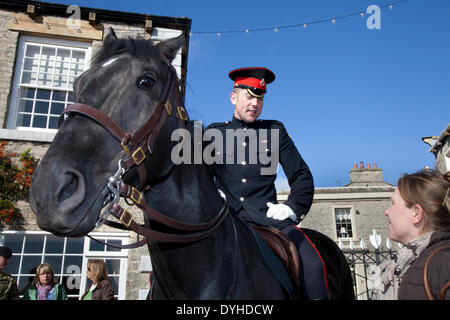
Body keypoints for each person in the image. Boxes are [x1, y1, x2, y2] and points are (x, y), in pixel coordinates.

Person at [205, 67, 328, 299]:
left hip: (269, 220)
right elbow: (200, 177)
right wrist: (212, 194)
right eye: (249, 96)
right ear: (233, 97)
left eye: (260, 98)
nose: (255, 103)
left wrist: (292, 208)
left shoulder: (274, 131)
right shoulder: (213, 134)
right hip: (225, 219)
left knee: (314, 266)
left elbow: (302, 175)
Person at [371, 169, 450, 300]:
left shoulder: (443, 262)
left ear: (416, 213)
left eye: (393, 204)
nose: (387, 212)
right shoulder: (409, 263)